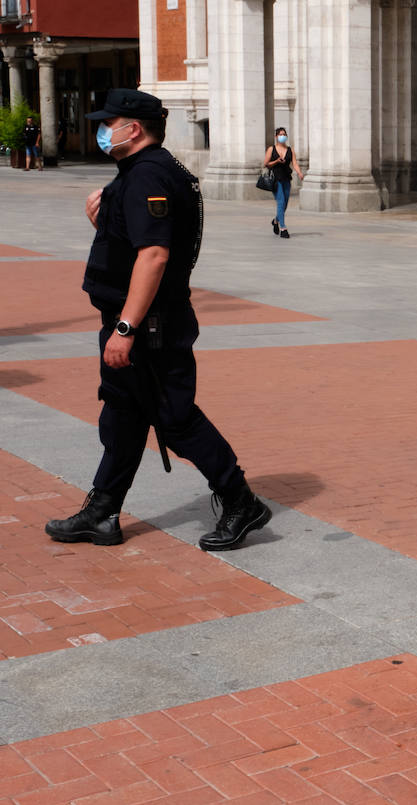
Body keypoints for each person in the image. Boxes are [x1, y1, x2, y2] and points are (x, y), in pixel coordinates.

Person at [44, 88, 272, 553]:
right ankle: (103, 512)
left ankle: (240, 500)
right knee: (123, 417)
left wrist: (125, 328)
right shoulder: (143, 172)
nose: (102, 131)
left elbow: (154, 255)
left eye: (110, 123)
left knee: (175, 417)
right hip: (136, 318)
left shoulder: (149, 174)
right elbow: (136, 244)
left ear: (134, 128)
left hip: (149, 325)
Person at [263, 127, 304, 238]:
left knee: (284, 204)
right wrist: (276, 161)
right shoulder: (271, 149)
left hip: (286, 178)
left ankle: (276, 221)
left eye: (284, 134)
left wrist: (299, 173)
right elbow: (266, 163)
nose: (282, 136)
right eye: (280, 134)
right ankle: (283, 228)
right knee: (280, 202)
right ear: (276, 137)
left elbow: (294, 163)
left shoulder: (290, 150)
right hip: (276, 179)